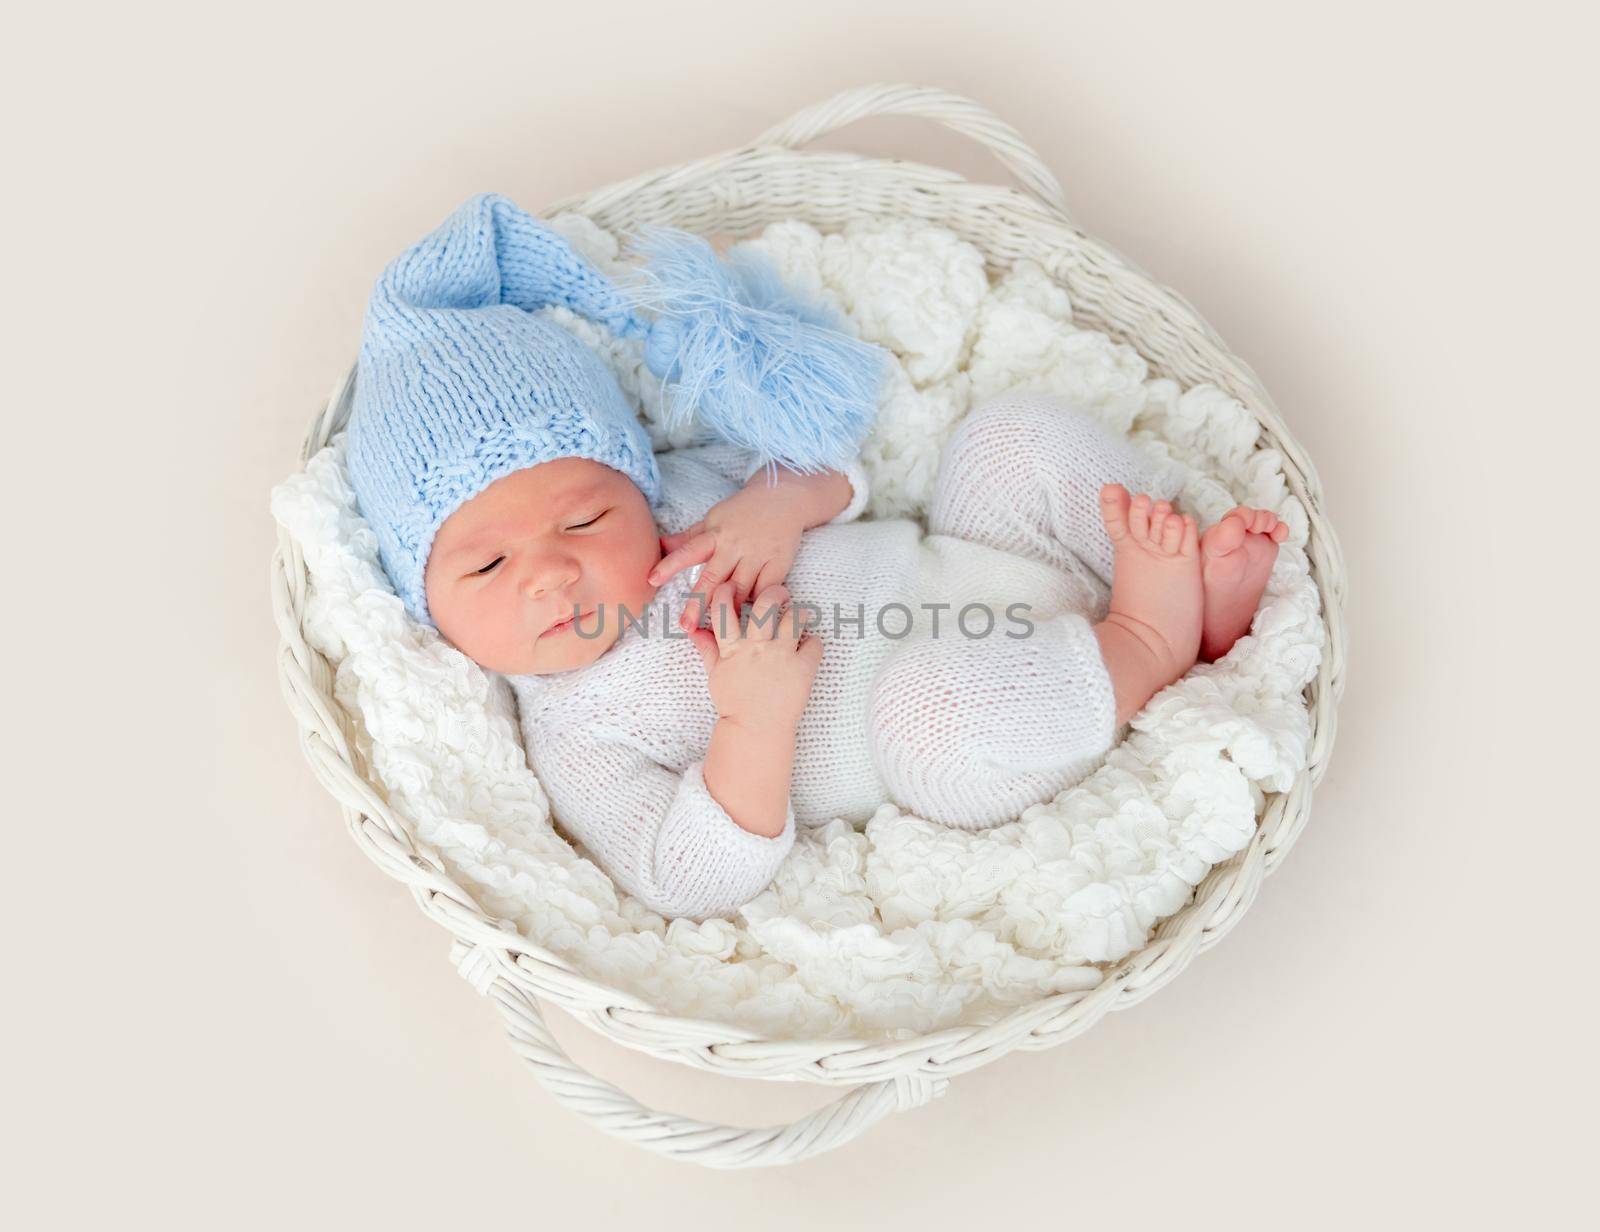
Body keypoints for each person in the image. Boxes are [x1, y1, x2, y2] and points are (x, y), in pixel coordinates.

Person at [347, 193, 1285, 921]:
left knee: (1005, 442)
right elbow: (684, 875)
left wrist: (776, 505)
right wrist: (753, 723)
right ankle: (1152, 642)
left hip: (982, 564)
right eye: (483, 568)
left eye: (586, 519)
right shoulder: (578, 737)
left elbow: (834, 467)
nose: (550, 570)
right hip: (970, 729)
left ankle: (1189, 596)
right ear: (425, 607)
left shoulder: (682, 502)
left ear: (631, 483)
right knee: (930, 718)